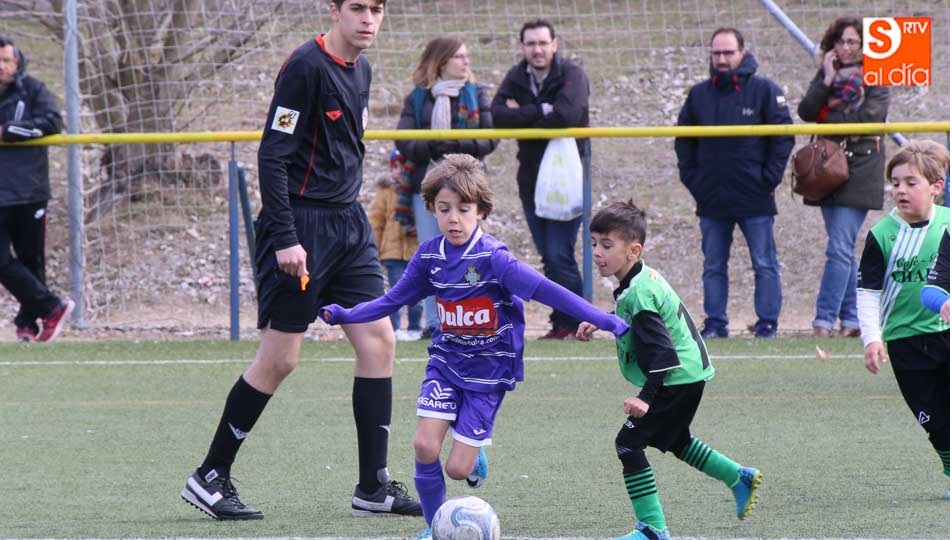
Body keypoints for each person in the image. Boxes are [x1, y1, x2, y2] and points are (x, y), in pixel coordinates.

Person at [180, 0, 422, 521]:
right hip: (301, 228)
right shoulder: (304, 67)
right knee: (280, 360)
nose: (368, 19)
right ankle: (210, 475)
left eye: (377, 9)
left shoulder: (362, 68)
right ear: (333, 10)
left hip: (348, 227)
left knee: (379, 342)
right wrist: (287, 237)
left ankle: (373, 486)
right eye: (357, 8)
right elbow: (273, 153)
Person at [318, 154, 630, 540]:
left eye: (463, 210)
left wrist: (607, 320)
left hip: (489, 373)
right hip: (446, 363)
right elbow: (390, 301)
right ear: (431, 209)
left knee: (457, 470)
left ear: (480, 211)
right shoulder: (429, 257)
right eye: (444, 209)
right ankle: (435, 530)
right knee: (423, 445)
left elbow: (552, 293)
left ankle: (473, 454)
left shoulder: (495, 260)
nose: (453, 218)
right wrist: (347, 313)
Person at [578, 201, 762, 540]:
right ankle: (739, 477)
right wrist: (603, 321)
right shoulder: (637, 279)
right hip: (687, 374)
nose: (597, 253)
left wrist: (646, 398)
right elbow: (634, 318)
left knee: (627, 444)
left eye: (606, 245)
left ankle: (652, 529)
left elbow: (662, 351)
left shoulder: (640, 292)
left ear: (633, 250)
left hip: (676, 377)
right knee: (675, 440)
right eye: (593, 244)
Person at [675, 27, 794, 339]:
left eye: (728, 52)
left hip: (755, 197)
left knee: (764, 263)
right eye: (717, 53)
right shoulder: (698, 95)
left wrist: (768, 178)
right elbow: (683, 143)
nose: (722, 59)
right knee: (714, 265)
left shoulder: (765, 90)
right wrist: (694, 180)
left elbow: (783, 137)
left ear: (743, 52)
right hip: (711, 197)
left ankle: (767, 323)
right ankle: (715, 323)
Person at [857, 140, 950, 499]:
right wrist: (872, 338)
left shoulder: (948, 225)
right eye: (895, 183)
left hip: (946, 333)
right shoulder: (882, 234)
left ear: (936, 187)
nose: (900, 190)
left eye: (911, 182)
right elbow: (868, 292)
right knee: (935, 420)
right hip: (904, 341)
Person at [490, 19, 590, 340]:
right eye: (531, 44)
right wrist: (542, 110)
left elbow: (567, 116)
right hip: (532, 179)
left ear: (554, 44)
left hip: (566, 180)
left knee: (560, 253)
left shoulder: (572, 74)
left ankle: (572, 323)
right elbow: (498, 115)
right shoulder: (517, 76)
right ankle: (563, 322)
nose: (537, 49)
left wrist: (525, 112)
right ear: (522, 47)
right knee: (548, 255)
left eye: (543, 43)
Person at [395, 35, 498, 339]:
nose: (467, 62)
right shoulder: (418, 97)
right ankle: (435, 322)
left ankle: (472, 316)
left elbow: (490, 138)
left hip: (468, 186)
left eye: (467, 56)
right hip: (427, 186)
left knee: (470, 253)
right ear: (441, 61)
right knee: (432, 255)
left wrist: (455, 145)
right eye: (459, 57)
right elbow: (403, 141)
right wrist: (431, 146)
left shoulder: (478, 93)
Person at [797, 17, 890, 339]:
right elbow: (807, 111)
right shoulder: (829, 74)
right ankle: (852, 319)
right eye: (841, 41)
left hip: (861, 169)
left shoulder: (878, 75)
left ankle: (824, 321)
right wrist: (826, 78)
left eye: (853, 42)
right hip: (826, 170)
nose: (846, 48)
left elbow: (870, 118)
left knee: (839, 246)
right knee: (843, 248)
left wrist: (831, 119)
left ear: (865, 47)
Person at [0, 36, 74, 343]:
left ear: (17, 63)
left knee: (31, 260)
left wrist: (7, 132)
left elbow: (52, 123)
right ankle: (52, 307)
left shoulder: (34, 90)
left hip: (28, 191)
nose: (1, 67)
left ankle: (28, 323)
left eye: (6, 61)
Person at [370, 149, 423, 340]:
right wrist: (374, 248)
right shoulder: (385, 193)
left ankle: (415, 327)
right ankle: (394, 329)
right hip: (392, 252)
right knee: (395, 292)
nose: (399, 171)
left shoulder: (418, 192)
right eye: (395, 167)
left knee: (416, 295)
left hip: (415, 252)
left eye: (403, 167)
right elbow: (377, 222)